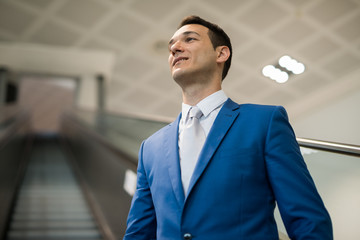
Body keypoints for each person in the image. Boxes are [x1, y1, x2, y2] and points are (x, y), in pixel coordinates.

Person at [123, 15, 332, 240]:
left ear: (221, 54)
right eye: (171, 45)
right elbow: (138, 233)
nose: (175, 48)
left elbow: (307, 220)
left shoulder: (265, 122)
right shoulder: (150, 148)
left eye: (189, 39)